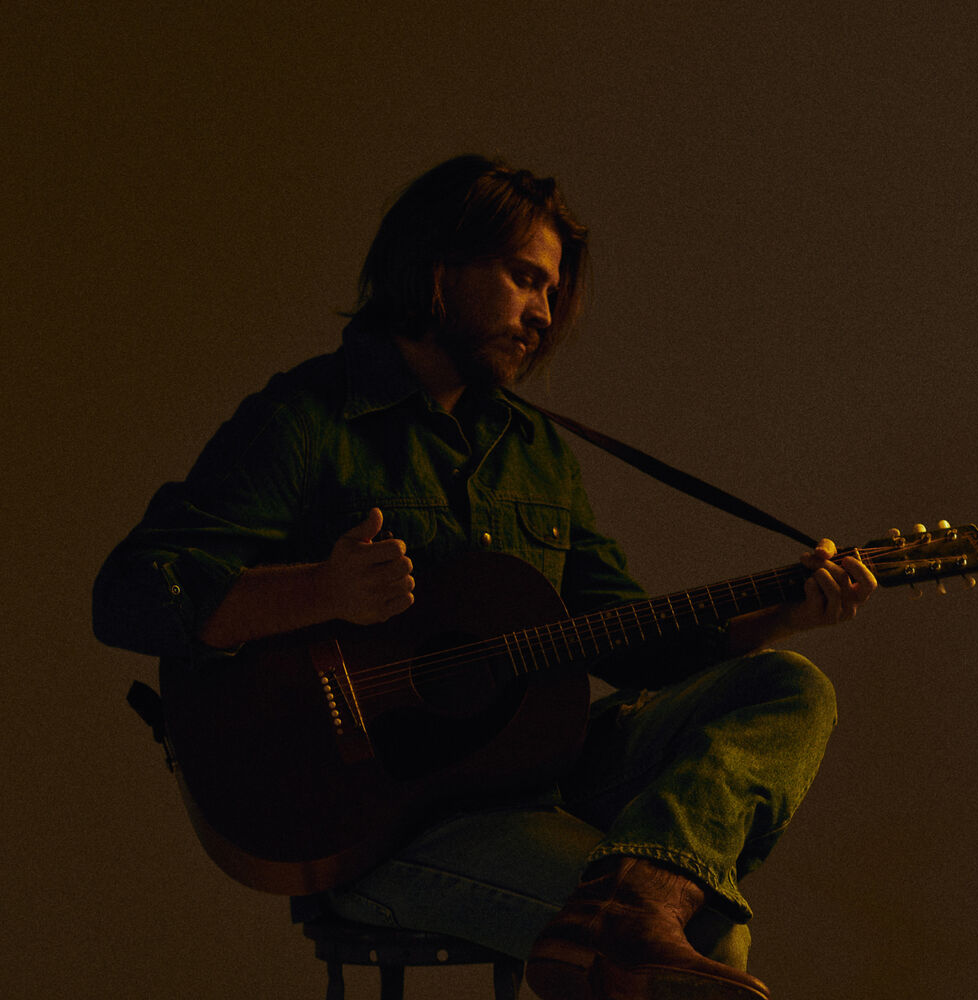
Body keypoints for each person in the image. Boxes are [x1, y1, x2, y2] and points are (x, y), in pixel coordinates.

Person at [93, 155, 877, 1000]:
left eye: (552, 292)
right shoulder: (307, 420)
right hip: (384, 828)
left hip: (540, 778)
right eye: (524, 278)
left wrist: (781, 613)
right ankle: (636, 919)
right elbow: (131, 592)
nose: (543, 313)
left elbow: (637, 644)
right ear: (439, 266)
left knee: (790, 686)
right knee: (706, 937)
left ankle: (642, 895)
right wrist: (323, 591)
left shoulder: (534, 453)